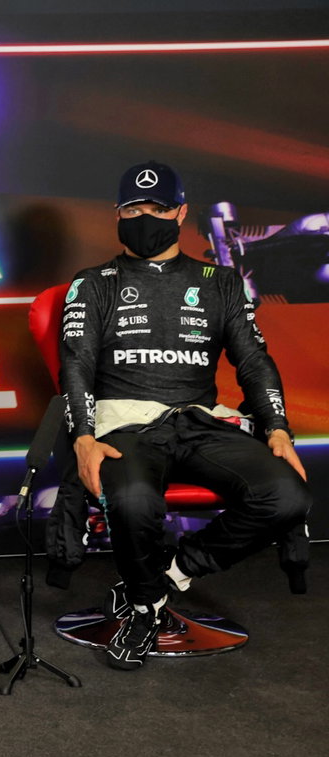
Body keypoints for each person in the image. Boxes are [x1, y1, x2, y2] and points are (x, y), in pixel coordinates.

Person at [59, 162, 311, 670]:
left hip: (199, 422)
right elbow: (76, 366)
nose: (145, 217)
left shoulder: (219, 283)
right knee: (131, 500)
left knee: (287, 494)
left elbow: (254, 361)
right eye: (133, 208)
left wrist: (278, 429)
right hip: (124, 425)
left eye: (157, 208)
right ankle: (147, 607)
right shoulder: (92, 284)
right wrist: (83, 438)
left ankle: (169, 574)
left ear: (180, 212)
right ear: (118, 215)